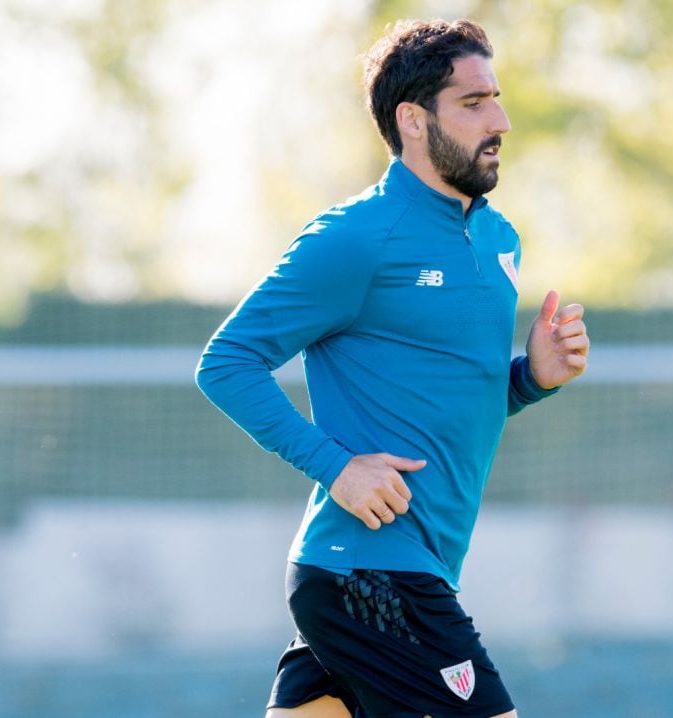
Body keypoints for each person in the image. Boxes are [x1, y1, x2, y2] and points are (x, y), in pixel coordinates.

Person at [196, 18, 589, 718]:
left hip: (375, 572)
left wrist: (530, 378)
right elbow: (226, 364)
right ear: (413, 120)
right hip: (373, 574)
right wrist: (338, 467)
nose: (498, 119)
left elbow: (449, 395)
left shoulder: (499, 238)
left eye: (496, 98)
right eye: (472, 103)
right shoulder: (355, 238)